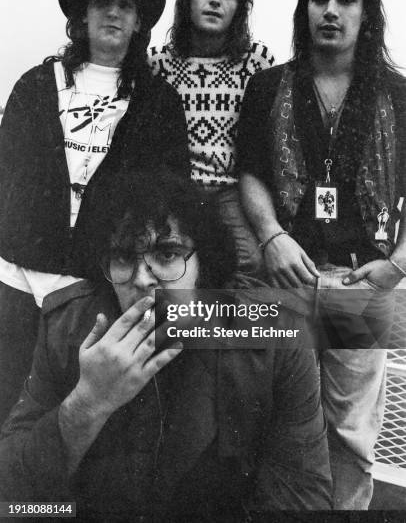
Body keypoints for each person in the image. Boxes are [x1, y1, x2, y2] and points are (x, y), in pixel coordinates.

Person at [0, 170, 332, 518]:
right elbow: (12, 496)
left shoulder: (275, 336)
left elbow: (303, 496)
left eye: (167, 254)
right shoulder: (67, 327)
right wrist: (88, 402)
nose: (143, 279)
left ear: (206, 263)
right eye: (124, 258)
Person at [237, 0, 406, 509]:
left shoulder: (398, 96)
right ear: (305, 8)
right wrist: (271, 236)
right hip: (285, 280)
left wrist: (398, 265)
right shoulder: (268, 87)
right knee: (273, 416)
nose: (330, 10)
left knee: (351, 432)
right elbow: (252, 174)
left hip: (361, 287)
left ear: (367, 12)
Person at [0, 0, 189, 425]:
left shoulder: (159, 101)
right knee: (5, 400)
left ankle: (55, 502)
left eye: (125, 6)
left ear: (137, 24)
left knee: (73, 411)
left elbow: (171, 195)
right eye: (102, 2)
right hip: (15, 274)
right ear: (81, 17)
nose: (113, 12)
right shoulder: (36, 84)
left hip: (93, 280)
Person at [149, 0, 274, 275]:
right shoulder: (159, 64)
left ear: (239, 9)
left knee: (249, 260)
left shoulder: (256, 64)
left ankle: (228, 323)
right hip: (176, 188)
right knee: (169, 257)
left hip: (229, 191)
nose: (215, 0)